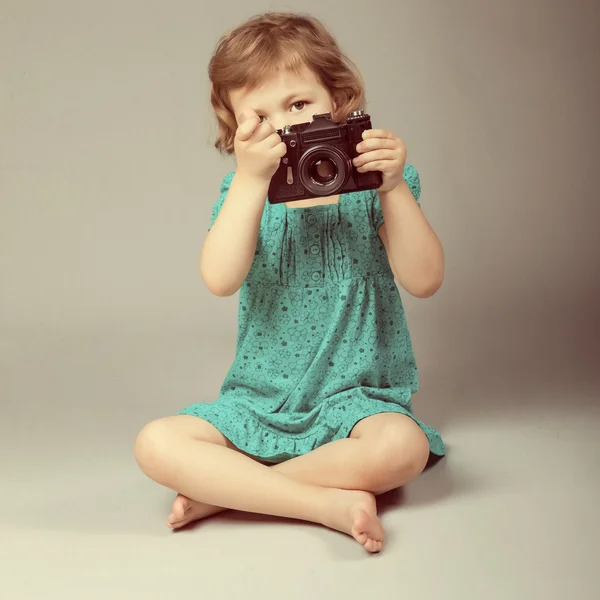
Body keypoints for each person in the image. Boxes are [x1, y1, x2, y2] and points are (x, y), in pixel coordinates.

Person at [134, 11, 446, 554]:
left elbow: (425, 280)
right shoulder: (243, 193)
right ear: (234, 130)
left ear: (340, 99)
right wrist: (251, 182)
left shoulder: (373, 183)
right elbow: (218, 278)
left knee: (403, 447)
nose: (285, 128)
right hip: (260, 401)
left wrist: (393, 187)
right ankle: (323, 500)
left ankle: (230, 493)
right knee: (155, 443)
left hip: (357, 400)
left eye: (299, 104)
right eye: (259, 117)